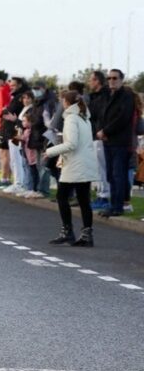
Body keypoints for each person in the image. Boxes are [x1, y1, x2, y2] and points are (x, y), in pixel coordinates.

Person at [43, 91, 98, 246]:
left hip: (74, 164)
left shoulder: (71, 119)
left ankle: (67, 231)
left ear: (66, 102)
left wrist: (50, 151)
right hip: (84, 162)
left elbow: (71, 144)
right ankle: (87, 234)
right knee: (83, 199)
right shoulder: (84, 117)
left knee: (62, 197)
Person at [96, 69, 136, 217]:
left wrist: (106, 131)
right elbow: (101, 115)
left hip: (120, 142)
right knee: (110, 175)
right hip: (108, 141)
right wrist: (101, 131)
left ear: (121, 80)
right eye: (109, 78)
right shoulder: (108, 96)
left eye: (114, 78)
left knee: (118, 174)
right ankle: (113, 205)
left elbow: (122, 118)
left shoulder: (126, 96)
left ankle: (118, 206)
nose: (111, 81)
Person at [86, 70, 111, 211]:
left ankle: (104, 197)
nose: (90, 82)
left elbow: (99, 115)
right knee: (98, 168)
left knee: (102, 168)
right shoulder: (95, 97)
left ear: (98, 81)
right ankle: (101, 195)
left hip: (100, 135)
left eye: (92, 80)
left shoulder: (103, 96)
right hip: (95, 135)